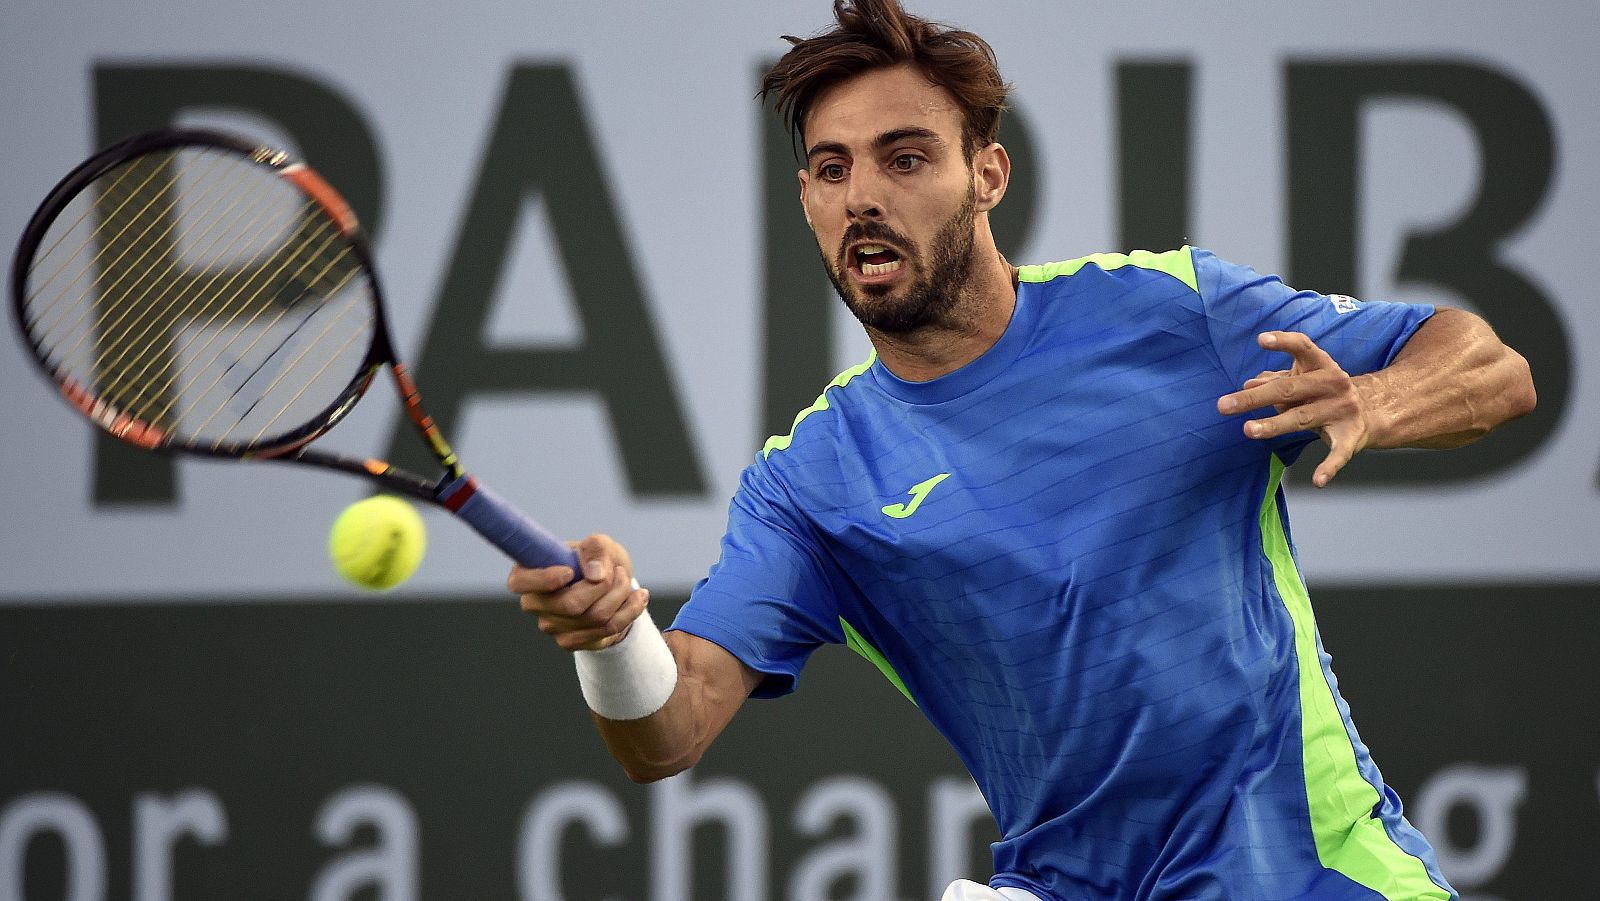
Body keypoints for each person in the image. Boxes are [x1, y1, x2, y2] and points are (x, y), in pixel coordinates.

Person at [507, 1, 1536, 898]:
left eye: (903, 157)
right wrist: (609, 641)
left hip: (1325, 878)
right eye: (831, 168)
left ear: (986, 174)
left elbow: (1493, 367)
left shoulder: (1170, 308)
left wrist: (1372, 396)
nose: (861, 193)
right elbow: (671, 729)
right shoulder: (809, 485)